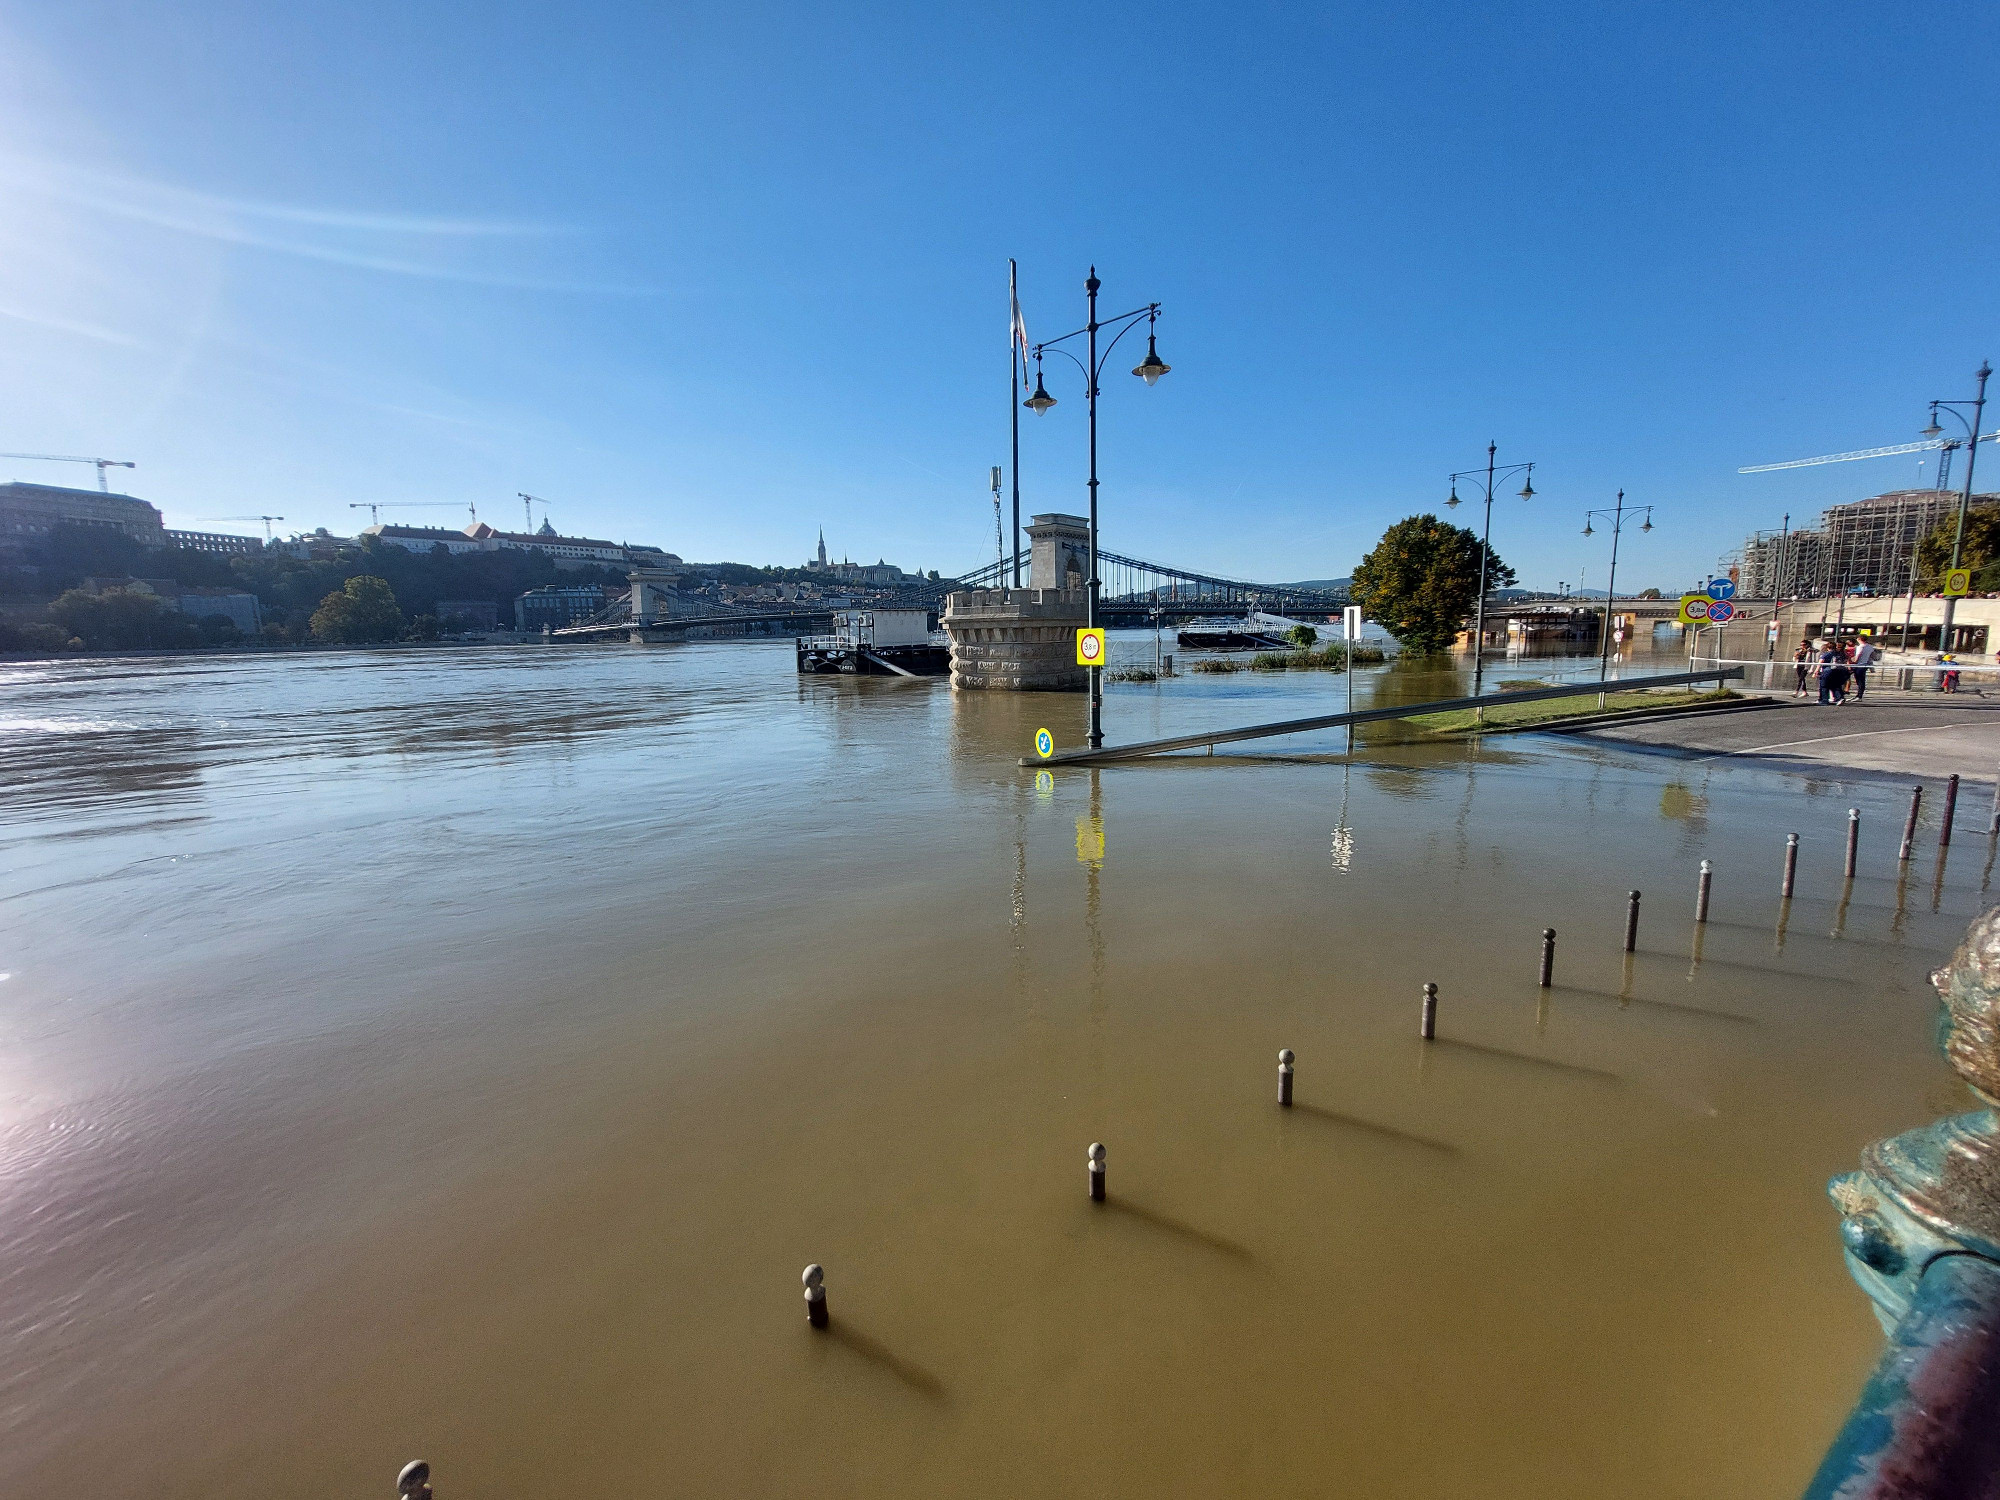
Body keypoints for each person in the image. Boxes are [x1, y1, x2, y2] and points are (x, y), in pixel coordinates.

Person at [1850, 635, 1877, 701]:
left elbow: (1857, 657)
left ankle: (1859, 696)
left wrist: (1851, 659)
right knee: (1862, 680)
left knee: (1859, 681)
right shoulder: (1870, 646)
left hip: (1859, 665)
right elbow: (1873, 656)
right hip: (1865, 665)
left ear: (1859, 639)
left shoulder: (1860, 647)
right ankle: (1859, 695)